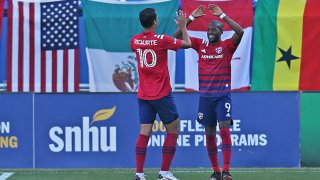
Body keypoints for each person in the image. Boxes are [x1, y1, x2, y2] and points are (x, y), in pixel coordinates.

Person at [174, 4, 243, 180]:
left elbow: (240, 31)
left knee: (225, 131)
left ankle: (227, 171)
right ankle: (216, 171)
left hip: (222, 96)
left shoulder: (228, 46)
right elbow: (175, 38)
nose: (210, 31)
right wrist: (190, 19)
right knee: (210, 134)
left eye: (214, 29)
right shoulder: (199, 45)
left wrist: (223, 16)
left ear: (221, 32)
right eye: (209, 29)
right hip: (205, 98)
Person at [130, 8, 191, 180]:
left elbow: (156, 43)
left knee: (144, 132)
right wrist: (184, 27)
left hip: (143, 95)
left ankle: (139, 174)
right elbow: (187, 43)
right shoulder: (162, 40)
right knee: (173, 130)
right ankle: (164, 172)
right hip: (162, 94)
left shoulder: (135, 40)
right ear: (155, 21)